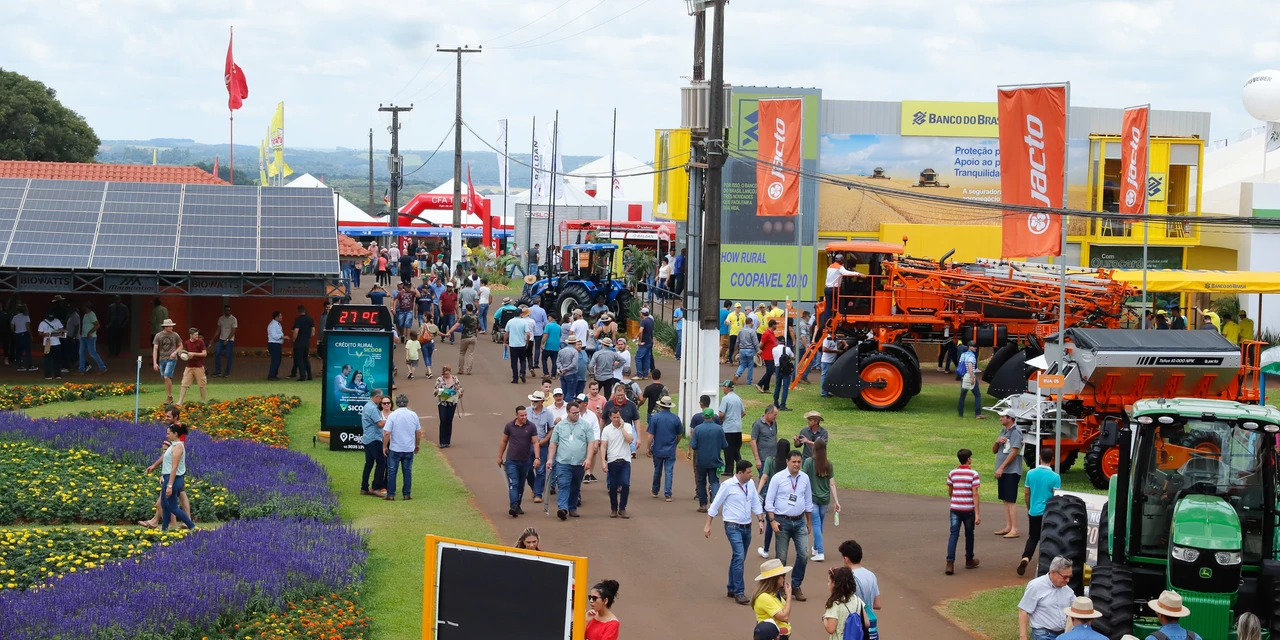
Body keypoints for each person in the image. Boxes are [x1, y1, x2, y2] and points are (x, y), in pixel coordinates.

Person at [704, 459, 764, 605]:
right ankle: (739, 591)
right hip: (732, 526)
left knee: (738, 558)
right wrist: (708, 525)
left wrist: (760, 520)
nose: (751, 474)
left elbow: (755, 503)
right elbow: (715, 504)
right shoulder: (727, 486)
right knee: (739, 556)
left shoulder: (750, 484)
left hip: (747, 526)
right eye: (748, 472)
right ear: (740, 473)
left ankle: (731, 587)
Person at [766, 450, 813, 601]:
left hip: (800, 521)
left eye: (799, 462)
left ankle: (796, 585)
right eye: (794, 462)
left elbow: (808, 501)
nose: (797, 465)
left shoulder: (805, 478)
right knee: (781, 558)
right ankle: (780, 587)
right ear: (787, 462)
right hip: (782, 521)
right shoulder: (777, 478)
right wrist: (772, 521)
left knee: (804, 554)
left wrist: (809, 522)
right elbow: (769, 501)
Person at [546, 402, 598, 520]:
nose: (576, 415)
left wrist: (588, 459)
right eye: (574, 413)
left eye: (577, 413)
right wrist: (550, 459)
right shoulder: (560, 426)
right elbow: (553, 443)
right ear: (568, 412)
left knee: (575, 487)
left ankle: (572, 508)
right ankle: (563, 508)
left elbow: (591, 443)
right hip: (563, 462)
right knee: (563, 484)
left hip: (579, 463)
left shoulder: (585, 425)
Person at [1019, 447, 1062, 576]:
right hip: (1049, 513)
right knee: (1048, 538)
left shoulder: (1031, 473)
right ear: (1052, 459)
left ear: (1040, 458)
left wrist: (1029, 508)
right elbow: (1056, 496)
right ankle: (1045, 563)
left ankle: (1026, 557)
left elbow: (1027, 493)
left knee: (1033, 537)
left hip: (1034, 511)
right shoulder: (1055, 477)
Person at [1017, 556, 1075, 640]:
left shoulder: (1068, 590)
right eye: (1065, 577)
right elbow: (1023, 611)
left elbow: (1076, 608)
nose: (1068, 580)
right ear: (1053, 572)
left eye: (1070, 577)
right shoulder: (1035, 586)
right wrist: (1023, 637)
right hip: (1043, 634)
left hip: (1063, 634)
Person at [152, 422, 196, 533]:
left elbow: (174, 467)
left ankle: (191, 526)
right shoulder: (173, 446)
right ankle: (164, 530)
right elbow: (165, 458)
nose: (167, 435)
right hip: (168, 477)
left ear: (175, 434)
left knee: (172, 507)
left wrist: (170, 486)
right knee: (164, 506)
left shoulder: (178, 447)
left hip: (174, 479)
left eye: (169, 433)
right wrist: (154, 466)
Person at [499, 405, 540, 518]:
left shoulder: (531, 426)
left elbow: (535, 442)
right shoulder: (509, 426)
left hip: (525, 461)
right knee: (514, 484)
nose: (524, 417)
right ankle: (513, 506)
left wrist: (537, 458)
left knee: (521, 485)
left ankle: (517, 506)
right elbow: (504, 441)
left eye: (525, 415)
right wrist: (499, 456)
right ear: (516, 415)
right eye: (521, 415)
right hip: (511, 461)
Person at [803, 440, 840, 563]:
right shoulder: (828, 464)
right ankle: (815, 548)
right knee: (820, 524)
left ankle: (820, 552)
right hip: (825, 500)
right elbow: (832, 484)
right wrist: (836, 501)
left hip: (813, 499)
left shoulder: (809, 462)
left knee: (816, 525)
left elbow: (803, 478)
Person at [945, 448, 982, 575]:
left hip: (955, 508)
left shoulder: (952, 473)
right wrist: (977, 513)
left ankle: (950, 563)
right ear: (968, 459)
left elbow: (950, 490)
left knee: (953, 534)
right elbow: (975, 493)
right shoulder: (973, 474)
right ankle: (969, 559)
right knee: (969, 534)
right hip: (968, 509)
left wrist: (954, 499)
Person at [382, 394, 421, 501]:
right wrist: (417, 445)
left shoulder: (393, 415)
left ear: (397, 403)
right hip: (408, 448)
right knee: (407, 471)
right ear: (407, 403)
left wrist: (384, 446)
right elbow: (418, 432)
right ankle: (406, 494)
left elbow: (387, 433)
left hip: (395, 448)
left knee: (392, 471)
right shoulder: (413, 415)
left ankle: (391, 494)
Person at [690, 403, 729, 511]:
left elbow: (693, 445)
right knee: (714, 482)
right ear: (713, 417)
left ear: (703, 416)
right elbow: (725, 445)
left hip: (701, 460)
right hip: (715, 460)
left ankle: (703, 505)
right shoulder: (719, 429)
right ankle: (715, 505)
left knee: (701, 482)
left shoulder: (698, 429)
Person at [757, 440, 792, 559]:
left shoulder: (770, 460)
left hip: (771, 497)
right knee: (783, 524)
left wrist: (757, 492)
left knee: (770, 524)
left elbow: (764, 477)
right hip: (784, 498)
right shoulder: (789, 464)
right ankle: (782, 551)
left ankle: (766, 549)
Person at [993, 408, 1024, 538]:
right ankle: (1008, 526)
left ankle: (1014, 529)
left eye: (1003, 416)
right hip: (1004, 471)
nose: (1000, 418)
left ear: (1010, 418)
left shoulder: (1016, 432)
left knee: (1011, 499)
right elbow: (994, 450)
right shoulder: (1004, 431)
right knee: (1005, 499)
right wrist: (997, 442)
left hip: (1012, 471)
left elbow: (1014, 452)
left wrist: (1001, 467)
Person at [601, 406, 636, 518]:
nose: (616, 419)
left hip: (625, 460)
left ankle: (622, 508)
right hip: (612, 460)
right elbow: (603, 446)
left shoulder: (627, 426)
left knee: (625, 484)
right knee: (613, 486)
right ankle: (614, 508)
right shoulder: (606, 429)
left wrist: (622, 428)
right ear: (610, 417)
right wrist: (603, 462)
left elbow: (630, 440)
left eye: (618, 417)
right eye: (614, 417)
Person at [838, 540, 883, 625]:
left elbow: (842, 605)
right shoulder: (871, 575)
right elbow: (877, 604)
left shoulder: (847, 578)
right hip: (870, 623)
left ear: (846, 559)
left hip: (854, 624)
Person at [647, 396, 682, 501]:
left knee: (657, 470)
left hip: (658, 449)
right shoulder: (675, 418)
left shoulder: (655, 418)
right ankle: (668, 494)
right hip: (670, 449)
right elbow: (679, 434)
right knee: (669, 471)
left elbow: (651, 435)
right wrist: (675, 443)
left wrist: (648, 447)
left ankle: (655, 490)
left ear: (660, 406)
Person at [823, 567, 870, 640]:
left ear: (834, 584)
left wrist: (824, 619)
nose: (828, 584)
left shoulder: (835, 603)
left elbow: (831, 629)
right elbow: (867, 623)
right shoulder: (857, 600)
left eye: (829, 581)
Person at [527, 390, 557, 504]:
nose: (533, 402)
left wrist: (545, 440)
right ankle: (534, 487)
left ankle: (538, 494)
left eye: (536, 401)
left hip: (541, 444)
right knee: (527, 469)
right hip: (528, 444)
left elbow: (551, 428)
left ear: (542, 402)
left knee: (540, 470)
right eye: (532, 400)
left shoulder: (548, 413)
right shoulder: (527, 411)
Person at [752, 559, 794, 638]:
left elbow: (786, 611)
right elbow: (784, 617)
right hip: (773, 636)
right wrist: (789, 596)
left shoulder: (774, 593)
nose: (784, 579)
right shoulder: (764, 597)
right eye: (783, 575)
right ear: (775, 579)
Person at [360, 389, 389, 498]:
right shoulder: (372, 408)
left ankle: (364, 488)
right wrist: (390, 420)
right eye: (381, 398)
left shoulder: (367, 406)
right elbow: (380, 424)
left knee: (369, 463)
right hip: (374, 439)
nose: (381, 400)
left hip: (367, 438)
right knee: (381, 462)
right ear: (376, 397)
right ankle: (376, 488)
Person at [718, 380, 747, 476]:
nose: (722, 389)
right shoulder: (738, 398)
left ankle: (729, 470)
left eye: (723, 387)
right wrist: (737, 418)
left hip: (728, 428)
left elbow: (721, 414)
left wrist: (722, 420)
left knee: (728, 450)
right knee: (736, 450)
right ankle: (741, 468)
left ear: (726, 388)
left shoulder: (725, 399)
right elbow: (743, 412)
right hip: (738, 428)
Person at [431, 365, 463, 448]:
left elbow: (461, 389)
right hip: (442, 403)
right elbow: (435, 391)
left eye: (447, 374)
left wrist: (458, 391)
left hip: (452, 403)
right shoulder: (439, 380)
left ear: (450, 372)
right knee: (443, 420)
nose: (446, 375)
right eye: (444, 374)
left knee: (449, 421)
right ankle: (442, 442)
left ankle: (447, 441)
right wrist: (438, 391)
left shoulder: (455, 379)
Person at [176, 327, 208, 405]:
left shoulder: (201, 342)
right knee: (184, 384)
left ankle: (203, 401)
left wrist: (193, 354)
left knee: (202, 384)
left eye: (197, 334)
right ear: (191, 335)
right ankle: (180, 402)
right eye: (195, 335)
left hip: (199, 366)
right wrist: (182, 354)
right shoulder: (187, 343)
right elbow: (184, 352)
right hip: (189, 366)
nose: (197, 336)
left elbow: (204, 353)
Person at [151, 318, 180, 401]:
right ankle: (169, 395)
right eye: (170, 326)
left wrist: (175, 352)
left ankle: (170, 396)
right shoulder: (158, 336)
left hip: (172, 358)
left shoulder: (175, 335)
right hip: (162, 359)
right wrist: (155, 363)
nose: (171, 328)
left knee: (166, 376)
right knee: (165, 378)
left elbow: (180, 345)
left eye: (172, 326)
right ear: (165, 327)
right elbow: (155, 349)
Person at [76, 301, 107, 374]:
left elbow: (97, 325)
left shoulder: (91, 314)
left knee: (92, 353)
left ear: (85, 306)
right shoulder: (86, 315)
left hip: (90, 337)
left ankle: (102, 367)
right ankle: (81, 369)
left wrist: (90, 332)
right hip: (84, 336)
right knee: (81, 353)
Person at [506, 306, 534, 384]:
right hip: (522, 344)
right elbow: (528, 334)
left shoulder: (510, 321)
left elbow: (506, 333)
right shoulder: (523, 322)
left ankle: (515, 378)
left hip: (513, 345)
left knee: (514, 362)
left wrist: (505, 341)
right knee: (522, 360)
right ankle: (522, 373)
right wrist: (527, 342)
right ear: (520, 314)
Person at [957, 342, 985, 419]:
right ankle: (978, 414)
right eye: (974, 347)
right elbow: (970, 365)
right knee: (977, 395)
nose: (976, 348)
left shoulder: (963, 355)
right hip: (970, 376)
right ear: (969, 347)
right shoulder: (971, 355)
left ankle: (960, 413)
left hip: (963, 377)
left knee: (962, 396)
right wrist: (972, 377)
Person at [750, 405, 780, 476]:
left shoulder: (774, 423)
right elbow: (753, 441)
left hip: (774, 457)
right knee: (764, 479)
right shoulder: (757, 424)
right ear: (768, 413)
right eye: (774, 415)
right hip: (763, 459)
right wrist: (757, 459)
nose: (776, 417)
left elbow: (775, 437)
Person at [291, 305, 315, 382]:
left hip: (299, 342)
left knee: (300, 359)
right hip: (307, 342)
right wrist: (308, 337)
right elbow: (313, 331)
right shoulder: (310, 319)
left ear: (298, 311)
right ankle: (309, 375)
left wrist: (294, 339)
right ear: (305, 311)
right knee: (305, 358)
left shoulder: (298, 320)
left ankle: (303, 376)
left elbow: (296, 331)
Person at [211, 305, 237, 377]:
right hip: (221, 339)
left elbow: (233, 331)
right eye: (226, 310)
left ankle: (227, 372)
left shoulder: (233, 319)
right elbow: (218, 330)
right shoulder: (221, 318)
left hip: (230, 340)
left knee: (228, 356)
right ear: (224, 311)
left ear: (230, 311)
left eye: (229, 310)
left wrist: (227, 339)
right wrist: (212, 339)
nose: (227, 311)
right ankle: (218, 371)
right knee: (217, 354)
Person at [772, 334, 795, 411]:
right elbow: (792, 356)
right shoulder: (787, 349)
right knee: (785, 387)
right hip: (786, 369)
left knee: (777, 386)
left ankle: (775, 403)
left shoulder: (774, 349)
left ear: (778, 341)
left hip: (778, 368)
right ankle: (783, 404)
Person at [734, 317, 759, 386]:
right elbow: (755, 342)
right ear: (751, 323)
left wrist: (737, 349)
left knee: (742, 364)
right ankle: (749, 381)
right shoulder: (752, 331)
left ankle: (737, 374)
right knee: (750, 366)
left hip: (742, 349)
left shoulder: (740, 330)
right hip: (750, 349)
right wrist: (758, 350)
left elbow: (737, 341)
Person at [557, 334, 583, 401]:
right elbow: (574, 364)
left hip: (563, 374)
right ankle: (568, 405)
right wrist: (566, 369)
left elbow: (558, 362)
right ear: (575, 342)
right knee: (570, 393)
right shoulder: (575, 351)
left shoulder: (561, 351)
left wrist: (562, 369)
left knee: (564, 392)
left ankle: (563, 404)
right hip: (571, 374)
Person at [757, 319, 779, 393]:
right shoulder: (766, 334)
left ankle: (766, 387)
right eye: (775, 325)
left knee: (769, 371)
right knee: (770, 371)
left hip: (772, 355)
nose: (776, 326)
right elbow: (761, 345)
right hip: (767, 355)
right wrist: (762, 350)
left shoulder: (772, 333)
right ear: (773, 325)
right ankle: (759, 384)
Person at [10, 304, 33, 371]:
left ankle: (19, 366)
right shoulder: (26, 317)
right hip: (24, 334)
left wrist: (15, 332)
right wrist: (31, 335)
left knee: (19, 351)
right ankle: (30, 366)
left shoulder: (15, 317)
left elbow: (12, 327)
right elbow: (28, 327)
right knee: (27, 350)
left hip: (17, 335)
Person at [528, 296, 548, 371]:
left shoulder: (529, 309)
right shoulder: (542, 310)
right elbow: (545, 322)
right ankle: (536, 363)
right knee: (537, 348)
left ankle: (530, 362)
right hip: (539, 331)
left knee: (529, 347)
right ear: (539, 302)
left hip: (530, 330)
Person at [635, 306, 655, 379]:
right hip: (650, 341)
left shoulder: (643, 321)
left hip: (644, 342)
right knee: (647, 358)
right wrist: (637, 336)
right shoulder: (651, 320)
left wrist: (640, 341)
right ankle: (645, 374)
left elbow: (641, 331)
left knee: (638, 358)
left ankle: (639, 374)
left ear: (642, 313)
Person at [818, 333, 840, 397]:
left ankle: (826, 391)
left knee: (828, 377)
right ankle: (824, 393)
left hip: (831, 361)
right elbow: (824, 349)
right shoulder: (827, 339)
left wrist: (845, 343)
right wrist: (836, 351)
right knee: (825, 377)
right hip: (826, 361)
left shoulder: (834, 338)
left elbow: (842, 338)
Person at [266, 311, 285, 381]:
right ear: (276, 317)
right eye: (280, 316)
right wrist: (283, 337)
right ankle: (271, 375)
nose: (282, 317)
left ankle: (274, 375)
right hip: (274, 344)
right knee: (275, 360)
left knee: (277, 360)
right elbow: (274, 336)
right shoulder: (273, 325)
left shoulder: (277, 324)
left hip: (277, 344)